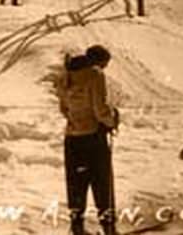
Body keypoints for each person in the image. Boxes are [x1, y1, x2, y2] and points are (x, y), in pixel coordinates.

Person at [58, 45, 119, 235]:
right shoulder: (95, 74)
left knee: (76, 184)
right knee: (102, 184)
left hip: (72, 138)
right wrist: (113, 119)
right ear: (99, 61)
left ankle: (77, 228)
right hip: (93, 137)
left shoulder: (66, 75)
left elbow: (63, 108)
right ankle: (109, 229)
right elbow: (100, 109)